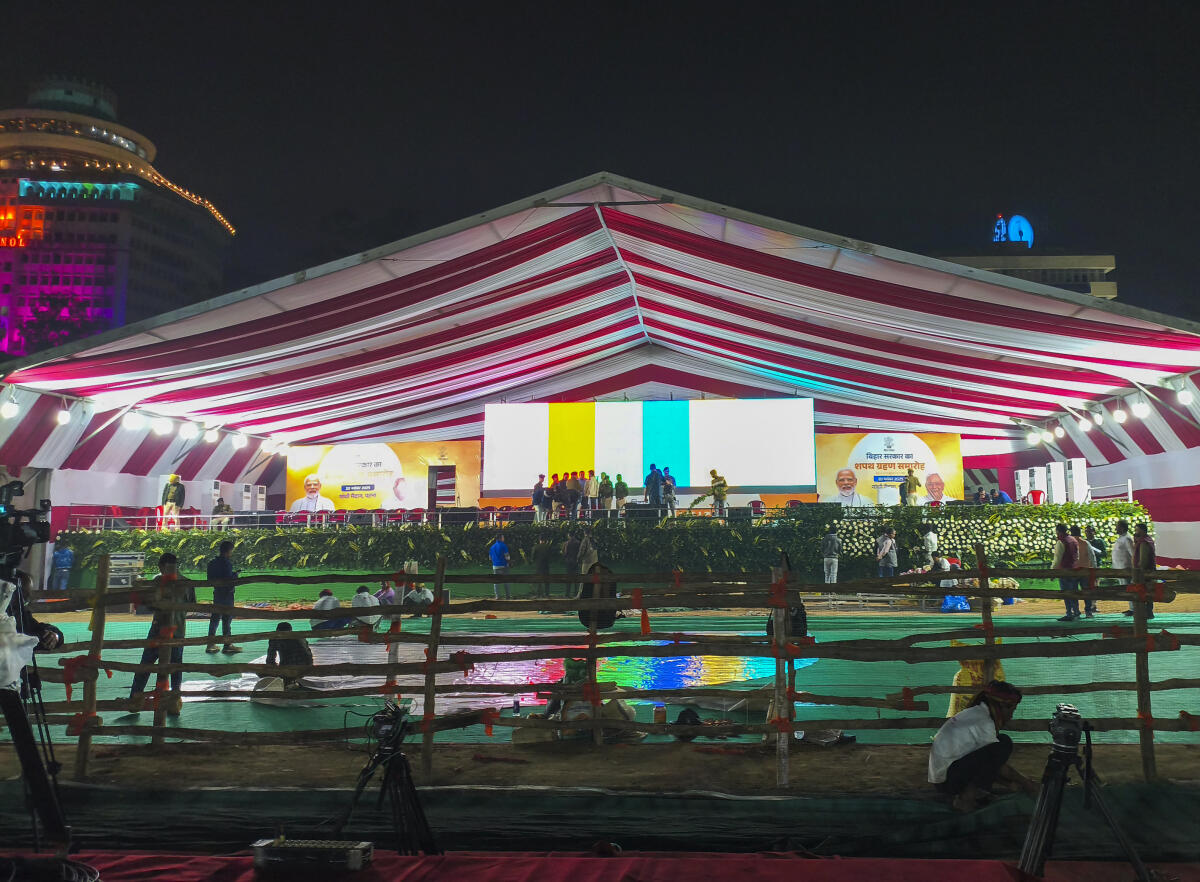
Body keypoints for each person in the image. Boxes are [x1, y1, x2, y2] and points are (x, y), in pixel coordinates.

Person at [929, 681, 1037, 812]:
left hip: (943, 776)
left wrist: (1010, 784)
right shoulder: (984, 722)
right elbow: (996, 765)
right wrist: (1026, 783)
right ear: (1003, 706)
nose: (1011, 716)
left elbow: (987, 765)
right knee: (1002, 744)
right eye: (1012, 710)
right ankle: (966, 799)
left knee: (997, 745)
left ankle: (974, 794)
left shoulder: (977, 712)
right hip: (948, 780)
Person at [129, 553, 194, 715]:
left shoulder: (158, 581)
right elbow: (192, 605)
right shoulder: (187, 582)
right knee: (175, 667)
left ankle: (134, 699)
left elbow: (148, 604)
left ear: (162, 566)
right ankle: (174, 699)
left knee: (145, 665)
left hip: (158, 630)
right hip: (178, 630)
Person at [205, 540, 242, 654]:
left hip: (217, 593)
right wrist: (235, 575)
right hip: (227, 595)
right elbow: (229, 580)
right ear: (229, 550)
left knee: (215, 618)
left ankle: (210, 644)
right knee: (227, 620)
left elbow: (210, 579)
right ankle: (227, 645)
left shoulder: (212, 563)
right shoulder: (226, 563)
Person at [265, 622, 313, 689]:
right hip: (304, 668)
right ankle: (292, 682)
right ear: (291, 630)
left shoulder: (275, 638)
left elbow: (270, 659)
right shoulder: (299, 636)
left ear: (277, 631)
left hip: (287, 669)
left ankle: (287, 682)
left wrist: (274, 671)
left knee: (261, 672)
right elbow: (308, 655)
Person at [1053, 523, 1081, 621]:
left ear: (1058, 531)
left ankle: (1069, 613)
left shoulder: (1061, 542)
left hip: (1064, 570)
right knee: (1074, 592)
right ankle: (1076, 611)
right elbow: (1077, 555)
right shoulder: (1073, 540)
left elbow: (1057, 559)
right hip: (1074, 569)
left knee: (1066, 593)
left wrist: (1052, 571)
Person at [1070, 525, 1098, 618]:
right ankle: (1088, 611)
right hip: (1085, 571)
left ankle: (1076, 612)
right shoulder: (1085, 543)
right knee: (1086, 592)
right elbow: (1092, 557)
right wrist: (1094, 569)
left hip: (1073, 571)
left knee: (1074, 592)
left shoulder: (1069, 543)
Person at [1112, 519, 1137, 617]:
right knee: (1126, 589)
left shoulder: (1127, 539)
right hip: (1121, 569)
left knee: (1129, 588)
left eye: (1117, 526)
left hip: (1126, 569)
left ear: (1122, 528)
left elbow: (1133, 554)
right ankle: (1132, 608)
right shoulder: (1121, 538)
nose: (1116, 528)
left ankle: (1134, 609)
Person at [1132, 523, 1157, 620]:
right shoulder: (1149, 540)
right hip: (1149, 571)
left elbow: (1143, 560)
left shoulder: (1143, 542)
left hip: (1144, 572)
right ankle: (1149, 611)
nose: (1135, 532)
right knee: (1148, 591)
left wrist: (1139, 571)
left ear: (1142, 531)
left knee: (1143, 591)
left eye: (1137, 530)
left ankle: (1146, 612)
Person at [488, 533, 511, 600]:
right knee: (506, 581)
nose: (504, 539)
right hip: (504, 566)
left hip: (495, 566)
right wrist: (509, 561)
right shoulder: (504, 546)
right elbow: (507, 556)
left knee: (496, 582)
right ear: (500, 538)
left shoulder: (492, 547)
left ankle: (497, 596)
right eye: (503, 537)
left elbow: (490, 558)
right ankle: (507, 596)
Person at [562, 530, 582, 598]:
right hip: (576, 562)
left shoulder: (566, 543)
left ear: (569, 535)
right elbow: (580, 553)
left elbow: (564, 553)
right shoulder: (578, 543)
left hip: (569, 562)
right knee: (576, 578)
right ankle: (576, 593)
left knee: (569, 578)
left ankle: (567, 593)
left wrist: (565, 558)